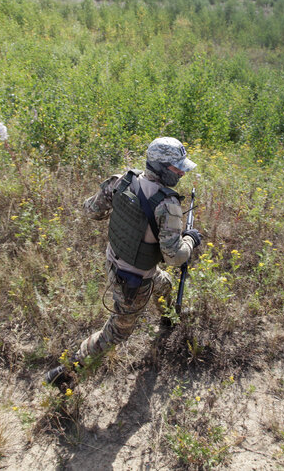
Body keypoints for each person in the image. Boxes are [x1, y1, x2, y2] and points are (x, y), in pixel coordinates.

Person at [45, 137, 202, 387]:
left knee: (164, 284)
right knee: (118, 331)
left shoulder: (122, 181)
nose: (182, 172)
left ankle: (169, 318)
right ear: (161, 167)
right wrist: (191, 240)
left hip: (114, 261)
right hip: (134, 281)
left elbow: (91, 210)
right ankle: (66, 372)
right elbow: (174, 256)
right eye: (176, 167)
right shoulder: (168, 206)